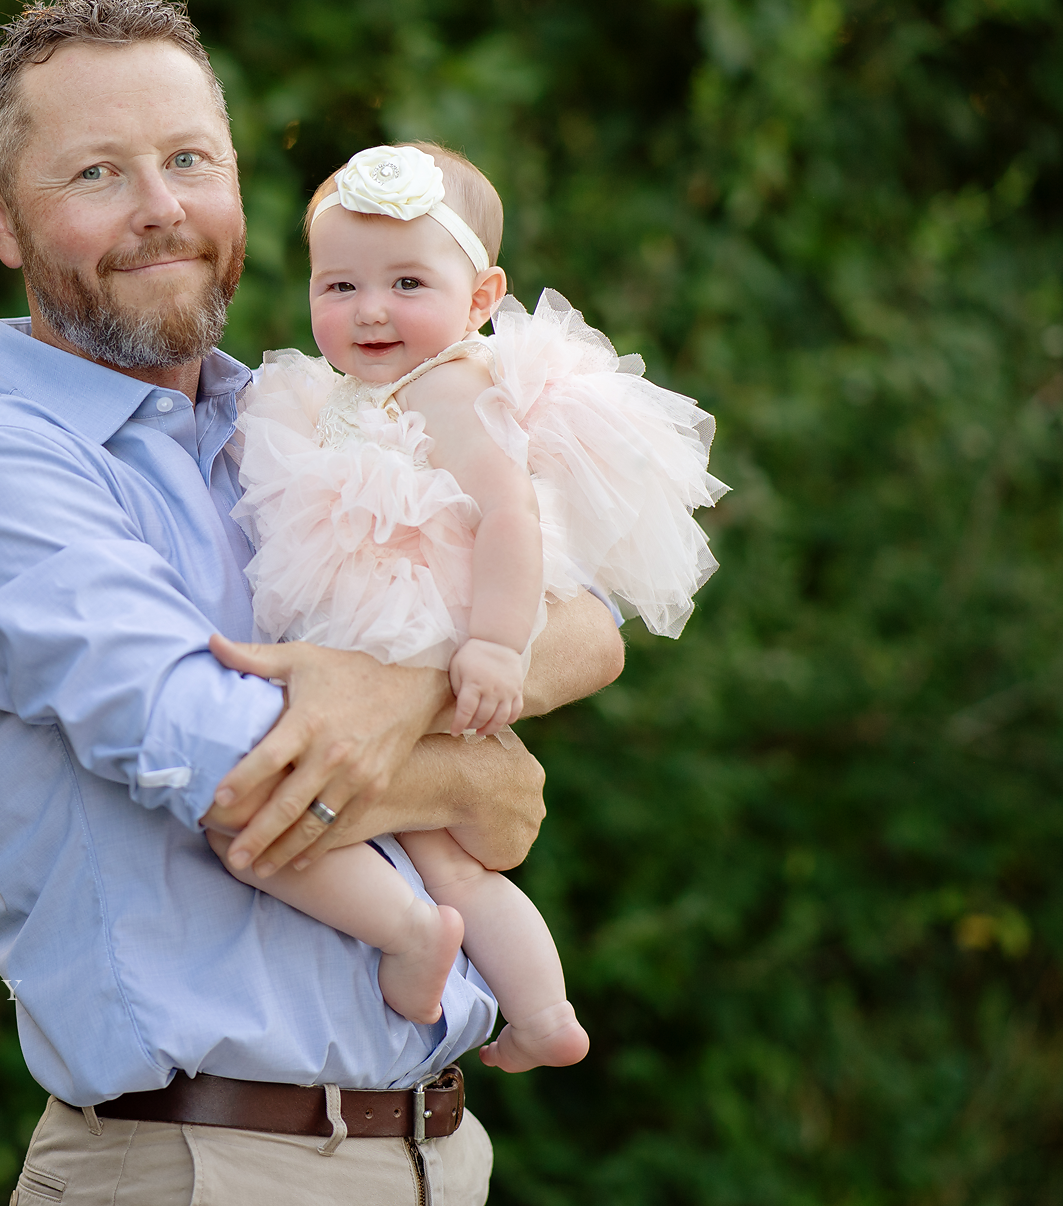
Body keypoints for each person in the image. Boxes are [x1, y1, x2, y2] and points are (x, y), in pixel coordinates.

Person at [0, 0, 623, 1205]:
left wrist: (399, 694)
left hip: (438, 1155)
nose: (159, 211)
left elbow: (586, 630)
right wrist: (474, 764)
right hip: (200, 1163)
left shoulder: (286, 416)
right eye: (95, 175)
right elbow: (238, 774)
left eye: (186, 159)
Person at [213, 142, 728, 1073]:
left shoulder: (452, 383)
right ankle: (541, 1010)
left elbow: (510, 513)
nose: (369, 309)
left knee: (280, 824)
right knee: (452, 859)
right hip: (366, 631)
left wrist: (494, 645)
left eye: (408, 281)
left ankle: (416, 936)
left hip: (414, 629)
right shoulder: (326, 393)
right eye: (339, 286)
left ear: (482, 300)